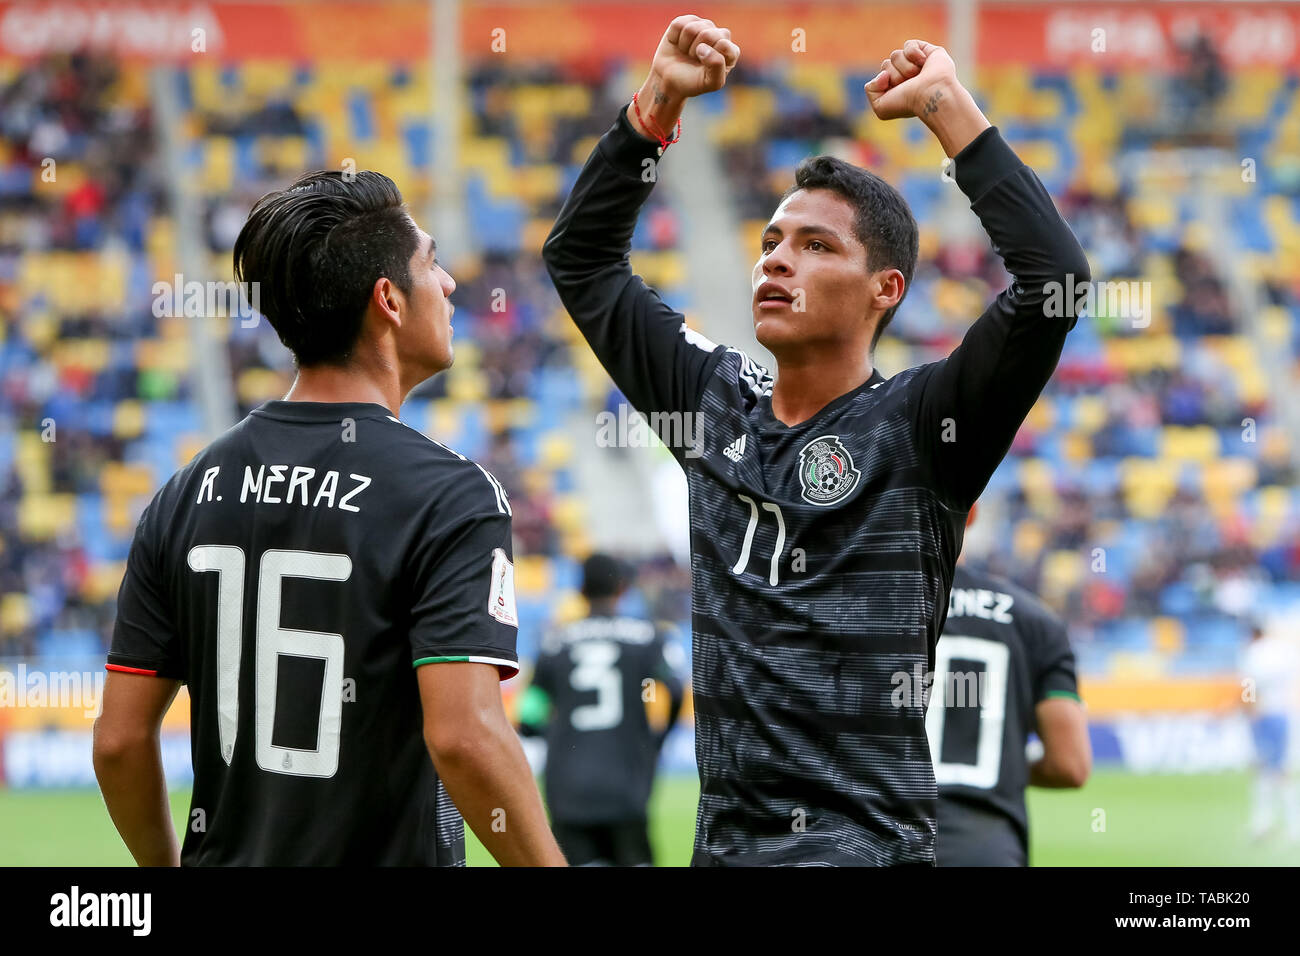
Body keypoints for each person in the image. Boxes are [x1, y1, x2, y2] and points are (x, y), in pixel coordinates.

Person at [543, 17, 1091, 865]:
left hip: (864, 850)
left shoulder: (925, 426)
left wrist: (949, 111)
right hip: (724, 849)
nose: (774, 262)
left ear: (885, 288)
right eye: (769, 243)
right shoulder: (711, 400)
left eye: (813, 246)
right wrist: (654, 108)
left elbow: (1053, 281)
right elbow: (581, 261)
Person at [93, 169, 565, 866]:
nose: (451, 284)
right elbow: (465, 737)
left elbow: (119, 742)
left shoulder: (186, 491)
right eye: (432, 264)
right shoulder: (449, 496)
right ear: (389, 302)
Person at [928, 506, 1090, 866]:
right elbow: (1070, 764)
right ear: (971, 514)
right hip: (986, 847)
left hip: (881, 843)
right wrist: (1008, 758)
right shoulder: (1035, 621)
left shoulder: (857, 609)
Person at [519, 554, 685, 865]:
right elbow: (675, 689)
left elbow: (528, 717)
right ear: (622, 589)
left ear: (581, 591)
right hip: (627, 785)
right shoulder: (649, 637)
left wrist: (553, 737)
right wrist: (658, 739)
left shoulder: (553, 642)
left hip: (567, 788)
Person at [1239, 618, 1300, 841]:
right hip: (1282, 713)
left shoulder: (1253, 653)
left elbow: (1249, 687)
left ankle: (1274, 823)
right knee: (1277, 769)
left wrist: (1249, 710)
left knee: (1268, 769)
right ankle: (1269, 822)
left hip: (1263, 715)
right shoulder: (1283, 652)